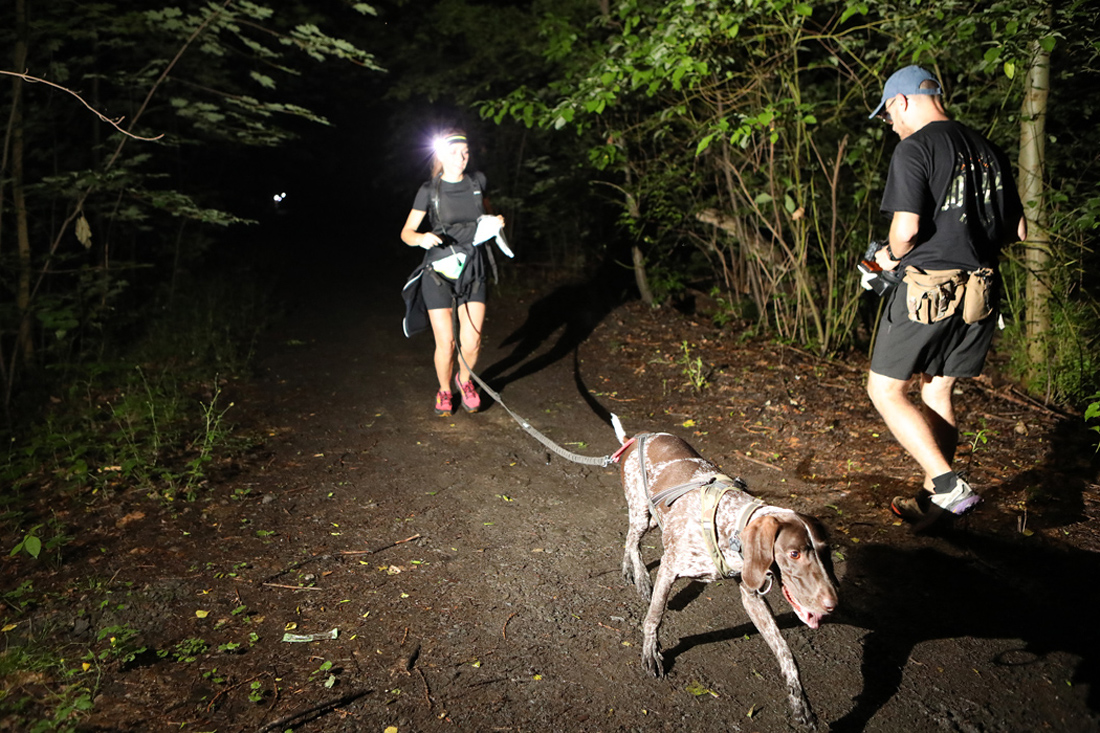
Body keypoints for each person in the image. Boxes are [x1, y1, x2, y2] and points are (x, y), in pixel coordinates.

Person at [865, 66, 1026, 530]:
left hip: (929, 290)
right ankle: (934, 505)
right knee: (936, 388)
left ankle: (947, 483)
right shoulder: (989, 150)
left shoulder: (914, 147)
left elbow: (906, 231)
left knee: (885, 389)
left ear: (901, 101)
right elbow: (1018, 229)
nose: (890, 125)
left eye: (888, 115)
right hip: (981, 290)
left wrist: (888, 257)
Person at [400, 130, 505, 416]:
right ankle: (445, 390)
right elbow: (406, 232)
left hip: (473, 267)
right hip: (439, 272)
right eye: (454, 153)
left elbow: (484, 212)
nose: (461, 158)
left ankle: (465, 380)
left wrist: (495, 221)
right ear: (441, 155)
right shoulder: (429, 190)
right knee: (445, 343)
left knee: (472, 342)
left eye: (465, 152)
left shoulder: (477, 182)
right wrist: (420, 238)